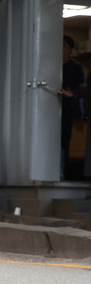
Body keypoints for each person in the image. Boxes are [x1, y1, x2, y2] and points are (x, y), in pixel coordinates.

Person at [61, 35, 85, 178]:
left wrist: (72, 93)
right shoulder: (50, 64)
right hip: (48, 108)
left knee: (64, 139)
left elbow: (83, 88)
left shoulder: (75, 67)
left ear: (69, 48)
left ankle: (62, 171)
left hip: (67, 108)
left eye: (63, 45)